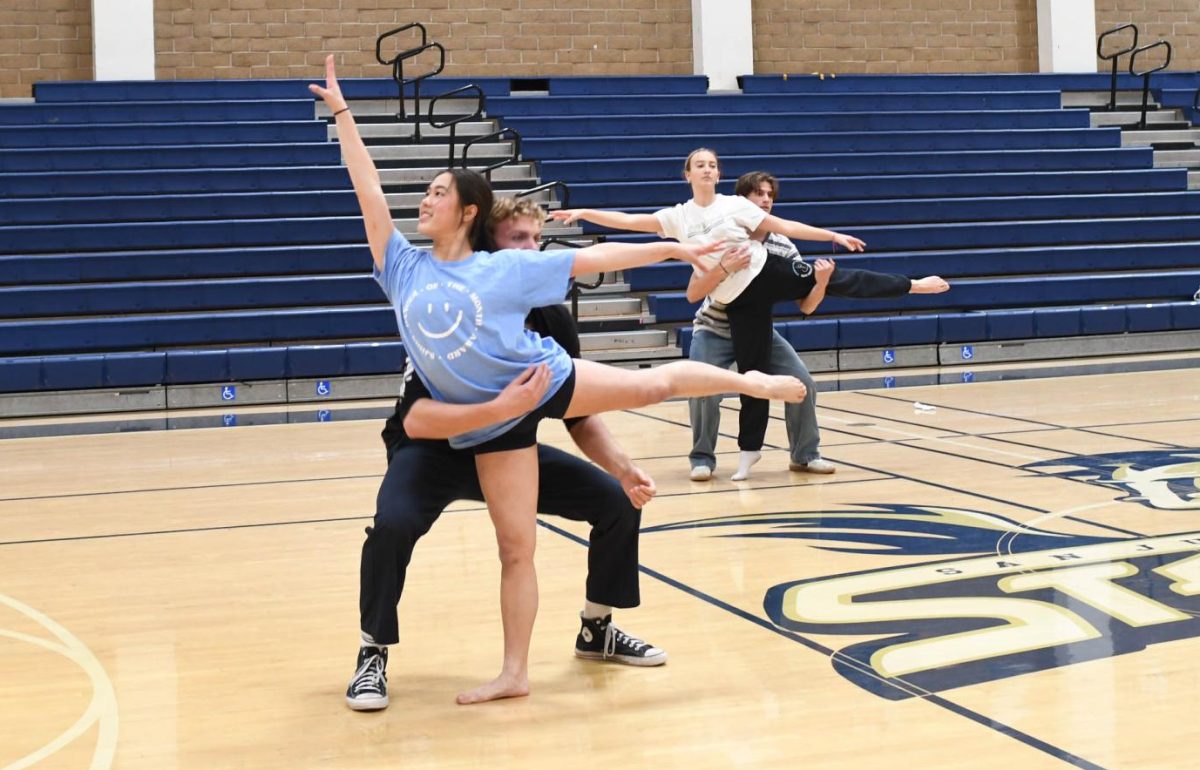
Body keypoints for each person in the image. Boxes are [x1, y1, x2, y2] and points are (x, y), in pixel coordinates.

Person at [310, 57, 807, 705]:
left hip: (518, 409)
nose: (425, 199)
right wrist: (344, 115)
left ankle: (753, 386)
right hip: (440, 436)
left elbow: (596, 257)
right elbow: (367, 187)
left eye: (437, 191)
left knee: (635, 414)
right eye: (426, 191)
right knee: (409, 529)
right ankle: (385, 653)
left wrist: (677, 250)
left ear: (465, 212)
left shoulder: (512, 274)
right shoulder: (402, 266)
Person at [347, 197, 665, 713]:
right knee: (392, 526)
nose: (532, 250)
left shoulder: (552, 317)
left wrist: (624, 469)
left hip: (510, 450)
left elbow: (578, 413)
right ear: (489, 244)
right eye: (519, 240)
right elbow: (418, 414)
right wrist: (499, 405)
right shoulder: (449, 300)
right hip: (432, 450)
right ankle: (372, 651)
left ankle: (596, 630)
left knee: (616, 503)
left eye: (537, 240)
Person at [553, 150, 948, 481]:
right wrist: (585, 211)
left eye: (713, 165)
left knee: (794, 379)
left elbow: (791, 243)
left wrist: (832, 239)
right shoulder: (678, 218)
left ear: (719, 174)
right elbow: (633, 227)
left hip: (759, 295)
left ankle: (799, 454)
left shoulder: (739, 210)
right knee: (707, 387)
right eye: (700, 164)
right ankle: (703, 459)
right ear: (687, 174)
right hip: (717, 320)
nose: (708, 169)